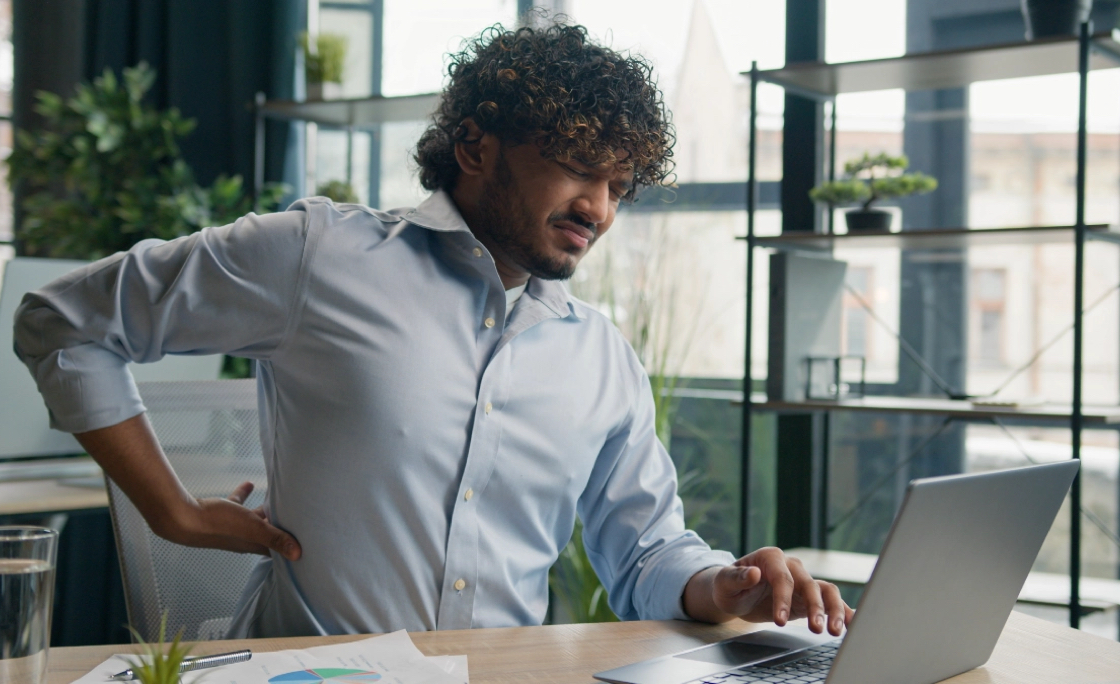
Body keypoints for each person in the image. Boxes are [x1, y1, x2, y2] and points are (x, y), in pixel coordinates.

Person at [14, 22, 852, 638]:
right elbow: (63, 322)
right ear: (477, 146)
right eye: (576, 166)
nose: (599, 209)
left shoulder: (600, 359)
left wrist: (725, 585)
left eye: (620, 185)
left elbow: (644, 556)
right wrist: (170, 513)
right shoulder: (318, 257)